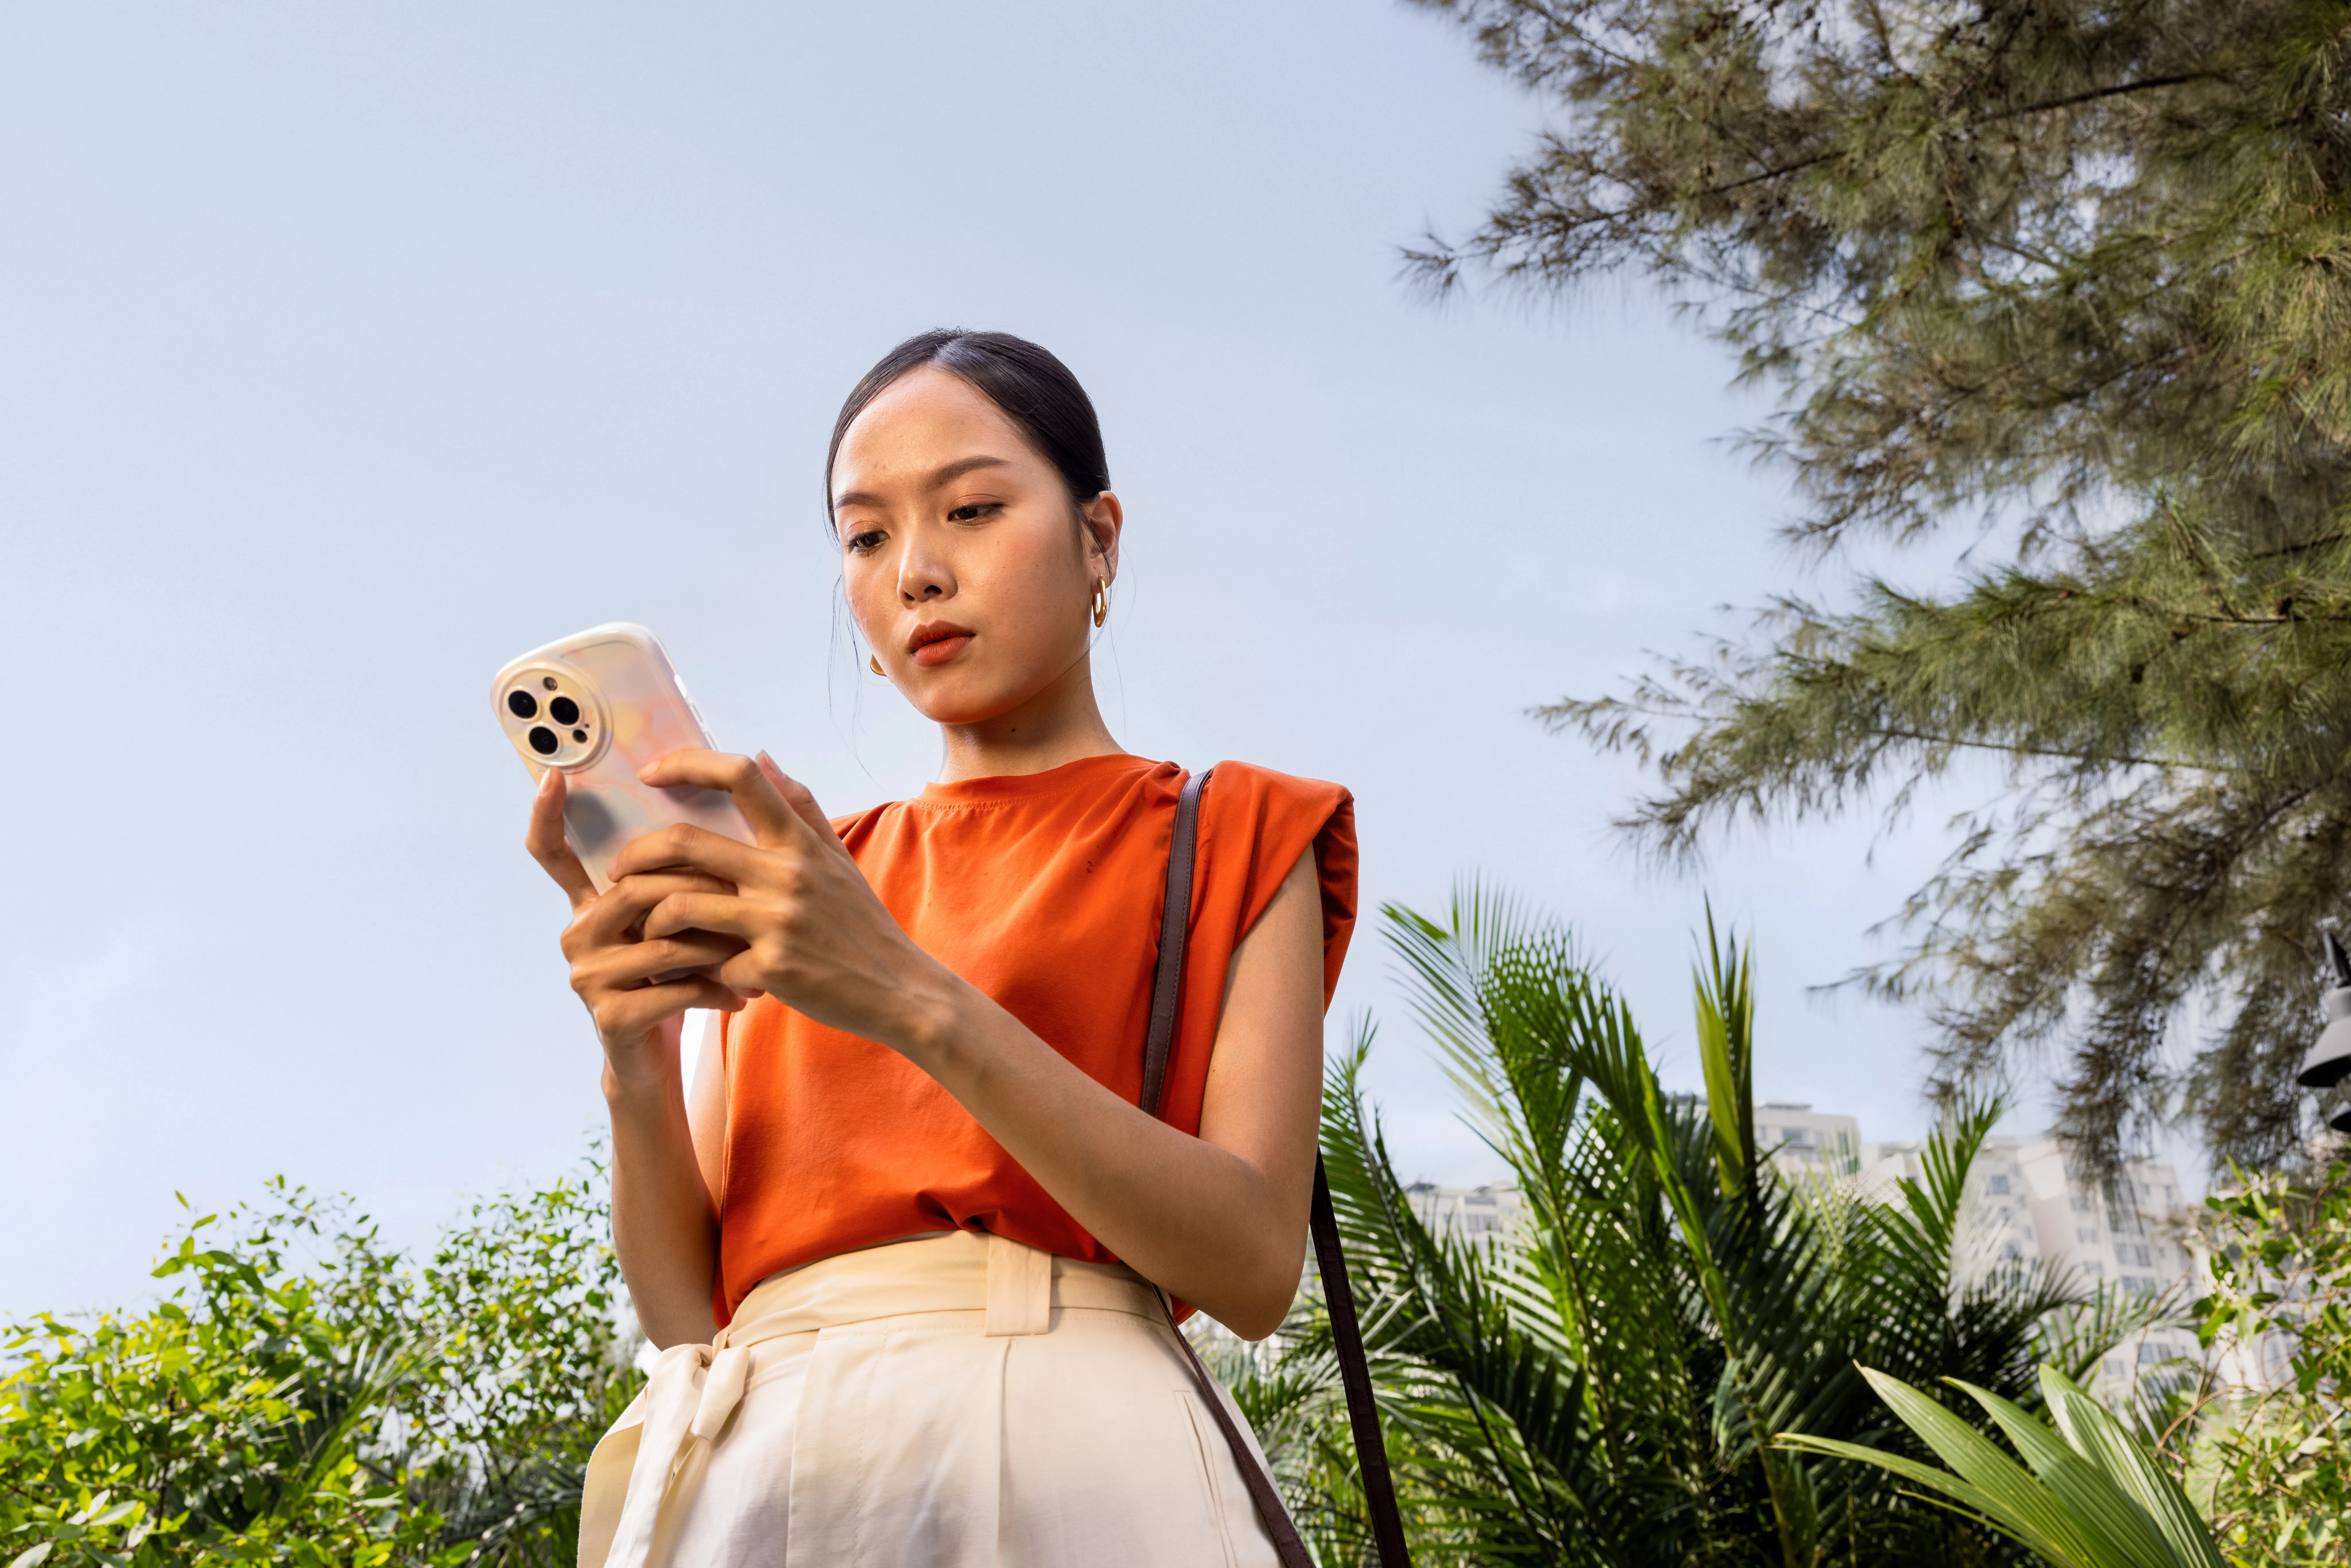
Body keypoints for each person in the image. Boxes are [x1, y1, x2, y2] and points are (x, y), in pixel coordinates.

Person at [525, 329, 1359, 1568]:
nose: (916, 570)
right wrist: (632, 1060)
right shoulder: (806, 869)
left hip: (1068, 1446)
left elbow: (1249, 1263)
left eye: (970, 508)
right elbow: (685, 1313)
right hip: (755, 1454)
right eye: (865, 537)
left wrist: (907, 994)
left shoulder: (1232, 829)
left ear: (1098, 539)